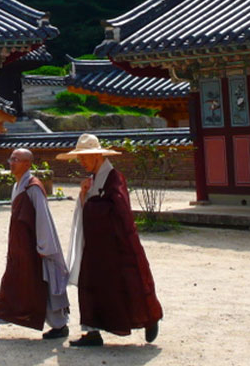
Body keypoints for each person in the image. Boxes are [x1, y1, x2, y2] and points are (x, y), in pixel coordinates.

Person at [57, 133, 163, 347]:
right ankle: (92, 331)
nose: (81, 161)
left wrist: (93, 203)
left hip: (117, 246)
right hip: (94, 246)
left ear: (97, 156)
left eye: (84, 157)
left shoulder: (114, 178)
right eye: (80, 158)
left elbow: (120, 210)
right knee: (90, 285)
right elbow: (89, 208)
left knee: (129, 284)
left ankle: (149, 319)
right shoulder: (93, 179)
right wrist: (84, 195)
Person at [0, 148, 70, 340]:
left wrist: (43, 247)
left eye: (16, 159)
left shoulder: (33, 187)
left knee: (41, 285)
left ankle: (60, 325)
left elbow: (43, 218)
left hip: (34, 247)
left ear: (27, 164)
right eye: (11, 159)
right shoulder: (18, 186)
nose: (11, 163)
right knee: (14, 282)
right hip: (20, 246)